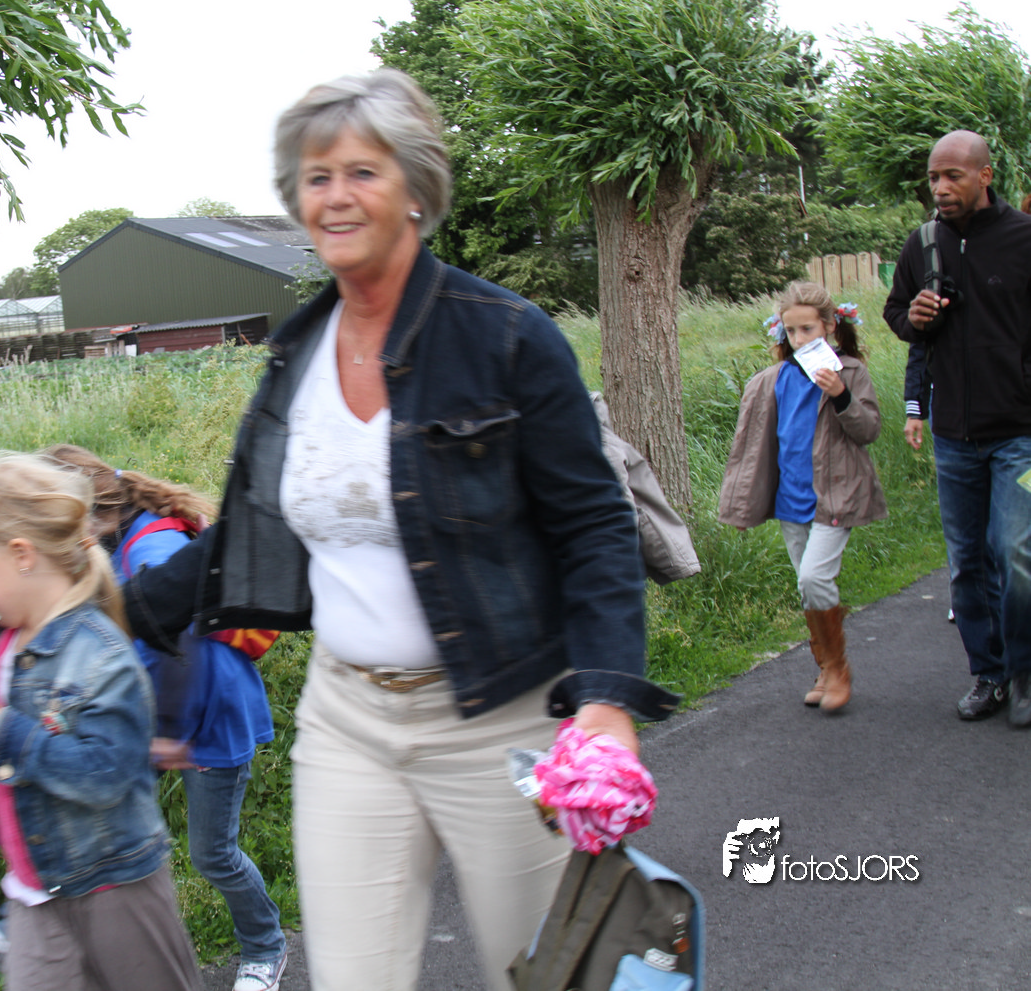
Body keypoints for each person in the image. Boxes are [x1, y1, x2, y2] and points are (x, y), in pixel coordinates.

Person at [120, 68, 678, 991]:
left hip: (502, 715)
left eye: (361, 171)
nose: (334, 195)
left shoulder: (507, 336)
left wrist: (608, 701)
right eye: (315, 176)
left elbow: (592, 526)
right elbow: (257, 528)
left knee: (543, 976)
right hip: (346, 719)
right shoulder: (296, 352)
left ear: (415, 189)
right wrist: (106, 609)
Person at [0, 452, 202, 991]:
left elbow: (105, 775)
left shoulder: (100, 654)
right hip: (33, 890)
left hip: (115, 885)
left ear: (22, 554)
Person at [42, 443, 288, 991]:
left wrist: (170, 734)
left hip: (208, 718)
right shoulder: (117, 538)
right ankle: (48, 934)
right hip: (158, 720)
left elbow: (182, 649)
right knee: (98, 825)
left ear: (86, 511)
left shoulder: (154, 547)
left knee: (213, 854)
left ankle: (265, 949)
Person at [882, 130, 1031, 726]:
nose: (940, 188)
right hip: (954, 437)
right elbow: (896, 313)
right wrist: (914, 318)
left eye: (953, 176)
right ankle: (988, 674)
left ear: (985, 176)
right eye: (933, 178)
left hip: (1022, 435)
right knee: (967, 560)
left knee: (1016, 552)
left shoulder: (1024, 239)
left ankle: (1024, 672)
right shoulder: (923, 243)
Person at [719, 282, 887, 711]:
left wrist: (840, 395)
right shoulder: (772, 380)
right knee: (808, 586)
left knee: (813, 578)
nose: (799, 339)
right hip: (790, 501)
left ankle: (838, 670)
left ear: (829, 326)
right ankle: (826, 667)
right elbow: (752, 449)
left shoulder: (849, 372)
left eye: (808, 329)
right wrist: (742, 504)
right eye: (791, 331)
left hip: (836, 497)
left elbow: (868, 430)